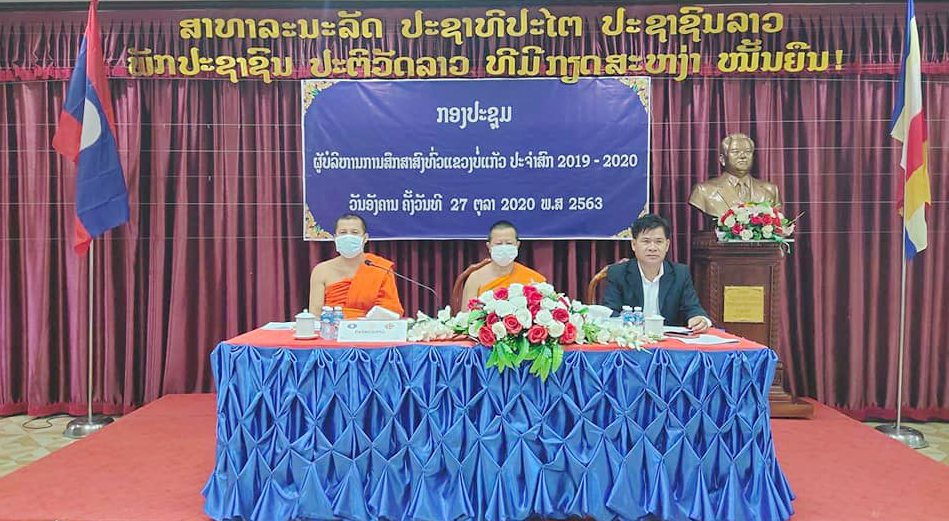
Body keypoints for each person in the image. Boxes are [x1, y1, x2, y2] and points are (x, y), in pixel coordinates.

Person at [601, 214, 712, 332]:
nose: (652, 248)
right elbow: (610, 313)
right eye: (646, 241)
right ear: (634, 245)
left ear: (667, 245)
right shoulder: (618, 273)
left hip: (668, 339)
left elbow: (693, 308)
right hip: (632, 338)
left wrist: (698, 318)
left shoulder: (680, 273)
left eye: (658, 242)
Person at [308, 213, 404, 318]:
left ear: (365, 238)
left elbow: (390, 310)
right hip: (332, 327)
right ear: (335, 238)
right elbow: (315, 315)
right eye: (343, 232)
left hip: (371, 327)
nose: (348, 237)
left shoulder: (380, 268)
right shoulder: (321, 271)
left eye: (355, 233)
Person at [689, 133, 782, 218]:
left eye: (748, 152)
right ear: (722, 159)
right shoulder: (703, 191)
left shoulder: (771, 190)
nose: (743, 156)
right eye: (735, 152)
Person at [461, 220, 546, 304]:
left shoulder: (534, 279)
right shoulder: (475, 278)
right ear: (489, 246)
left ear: (517, 245)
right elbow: (467, 311)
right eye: (498, 243)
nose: (504, 248)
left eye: (509, 243)